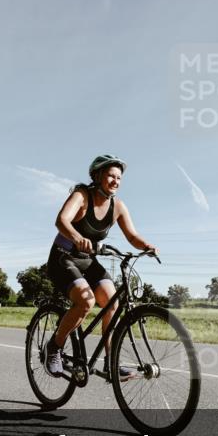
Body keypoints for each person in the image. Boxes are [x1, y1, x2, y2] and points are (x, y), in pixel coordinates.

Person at [45, 155, 158, 380]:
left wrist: (146, 246)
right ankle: (54, 348)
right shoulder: (82, 196)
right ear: (97, 176)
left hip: (87, 260)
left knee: (112, 301)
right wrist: (77, 237)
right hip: (63, 258)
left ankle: (110, 362)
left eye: (119, 177)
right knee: (86, 301)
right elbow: (62, 221)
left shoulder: (118, 206)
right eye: (111, 175)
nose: (115, 181)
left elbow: (132, 235)